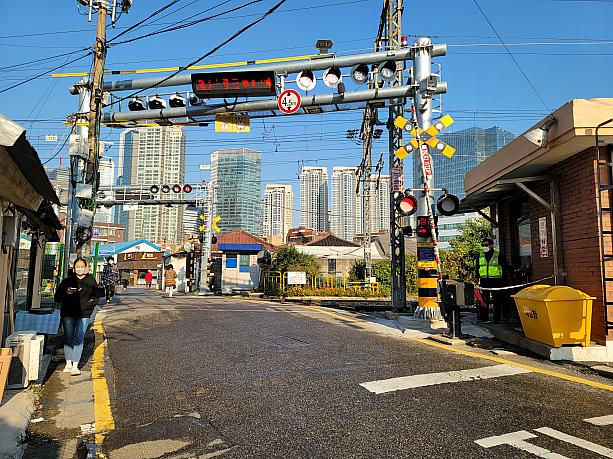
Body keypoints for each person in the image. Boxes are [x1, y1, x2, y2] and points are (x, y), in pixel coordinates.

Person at [54, 258, 105, 376]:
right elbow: (57, 297)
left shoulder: (91, 281)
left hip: (84, 314)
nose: (80, 268)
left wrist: (88, 306)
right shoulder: (67, 281)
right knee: (68, 337)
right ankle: (68, 363)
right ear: (74, 267)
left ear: (86, 267)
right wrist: (66, 293)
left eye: (82, 266)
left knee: (79, 338)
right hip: (68, 313)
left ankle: (75, 365)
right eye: (77, 266)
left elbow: (96, 297)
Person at [476, 238, 511, 324]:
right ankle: (484, 318)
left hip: (496, 280)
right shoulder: (480, 255)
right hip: (484, 280)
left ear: (491, 245)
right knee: (484, 300)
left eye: (486, 245)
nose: (484, 247)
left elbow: (506, 266)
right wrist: (477, 277)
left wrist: (512, 274)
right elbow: (477, 267)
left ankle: (497, 319)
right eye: (483, 245)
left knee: (497, 300)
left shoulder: (498, 255)